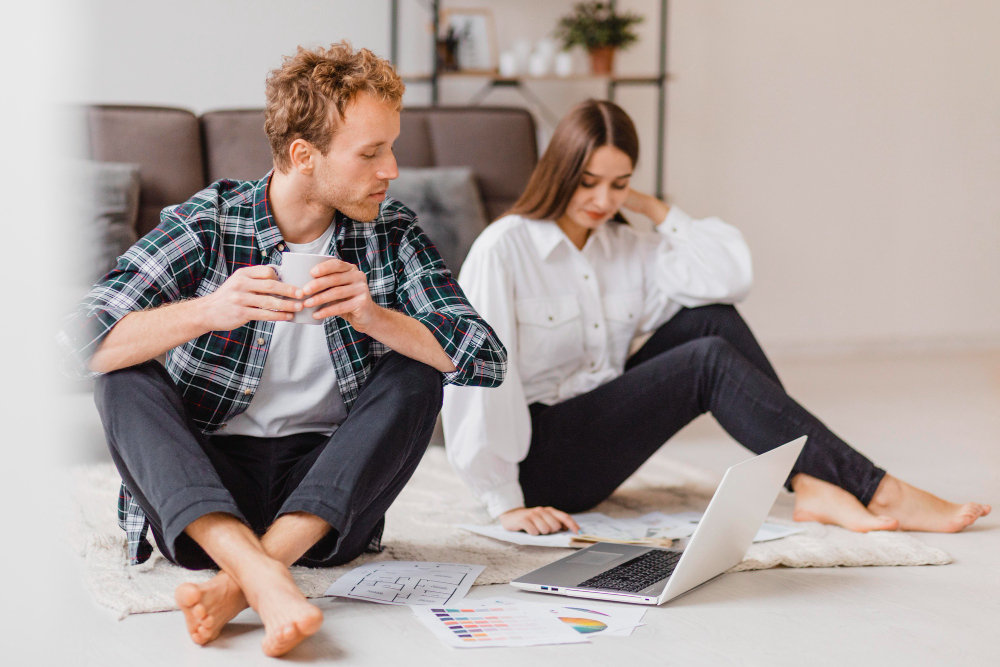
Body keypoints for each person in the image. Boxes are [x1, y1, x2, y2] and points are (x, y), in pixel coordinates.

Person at [59, 43, 506, 657]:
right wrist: (209, 310)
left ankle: (248, 579)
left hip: (325, 498)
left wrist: (374, 315)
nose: (392, 170)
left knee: (418, 368)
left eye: (391, 148)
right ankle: (265, 577)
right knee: (120, 371)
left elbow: (486, 357)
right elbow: (71, 342)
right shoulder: (211, 222)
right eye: (371, 152)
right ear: (303, 155)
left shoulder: (389, 232)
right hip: (207, 488)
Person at [441, 99, 989, 541]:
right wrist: (504, 502)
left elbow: (729, 278)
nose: (603, 200)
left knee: (713, 322)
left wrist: (655, 209)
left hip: (598, 431)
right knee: (705, 362)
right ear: (560, 172)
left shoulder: (623, 246)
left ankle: (809, 480)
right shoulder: (504, 249)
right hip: (543, 464)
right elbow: (477, 378)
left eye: (619, 184)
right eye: (587, 181)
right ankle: (877, 489)